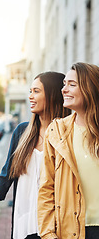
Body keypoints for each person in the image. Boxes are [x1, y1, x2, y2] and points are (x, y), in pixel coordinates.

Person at [0, 72, 71, 239]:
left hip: (54, 227)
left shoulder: (68, 135)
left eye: (36, 91)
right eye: (30, 91)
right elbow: (6, 177)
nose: (30, 97)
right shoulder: (22, 132)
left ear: (52, 95)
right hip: (23, 223)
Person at [38, 62, 99, 239]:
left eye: (72, 84)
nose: (64, 89)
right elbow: (46, 189)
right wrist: (48, 234)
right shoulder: (56, 131)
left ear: (90, 89)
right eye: (64, 84)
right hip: (73, 230)